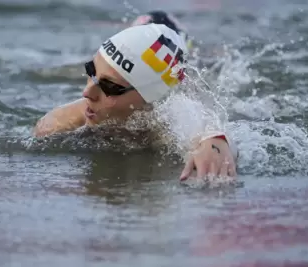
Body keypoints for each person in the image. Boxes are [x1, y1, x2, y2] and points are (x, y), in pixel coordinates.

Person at [33, 23, 237, 181]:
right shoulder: (65, 120)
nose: (87, 92)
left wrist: (216, 143)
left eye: (110, 87)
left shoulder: (168, 117)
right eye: (90, 70)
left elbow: (208, 131)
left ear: (150, 100)